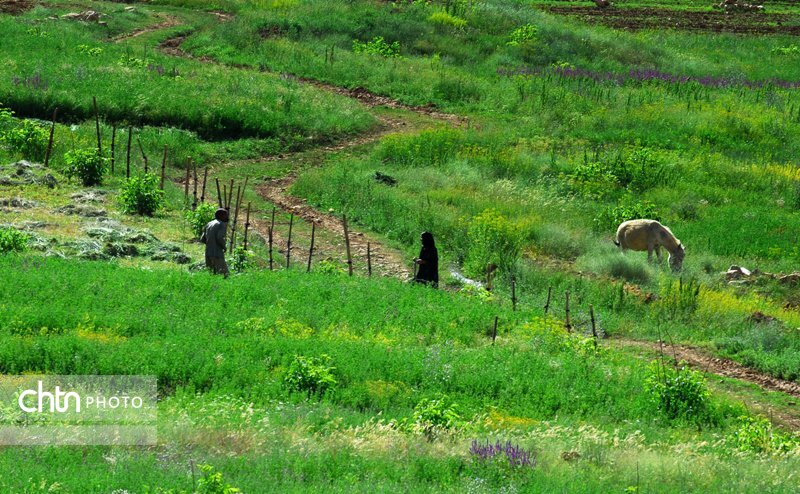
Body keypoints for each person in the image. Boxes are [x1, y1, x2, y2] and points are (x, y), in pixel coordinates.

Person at [201, 208, 229, 277]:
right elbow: (219, 238)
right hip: (217, 254)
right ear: (221, 216)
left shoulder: (209, 224)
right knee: (224, 275)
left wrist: (210, 244)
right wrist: (224, 247)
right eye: (226, 215)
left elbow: (202, 239)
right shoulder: (221, 224)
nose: (227, 217)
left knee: (211, 275)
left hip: (208, 253)